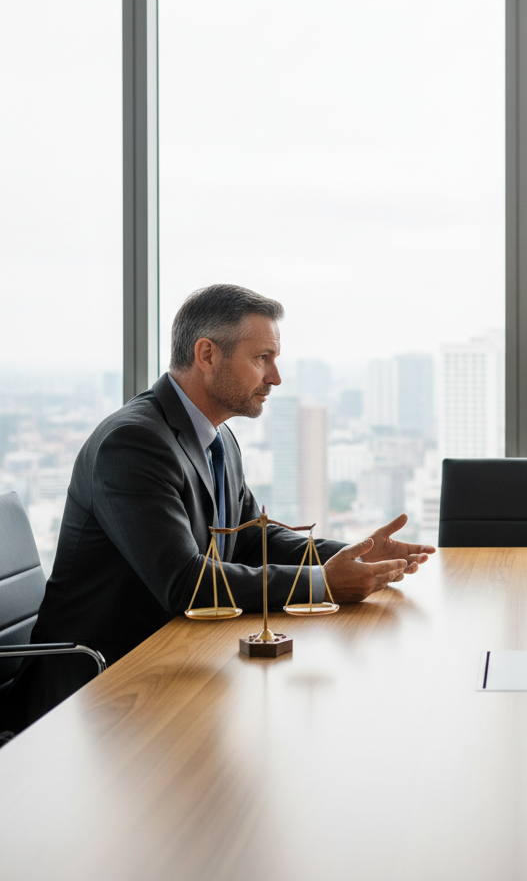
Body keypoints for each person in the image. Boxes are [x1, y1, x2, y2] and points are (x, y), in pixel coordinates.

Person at [3, 284, 435, 729]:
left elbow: (252, 538)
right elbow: (186, 584)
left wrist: (352, 556)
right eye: (261, 358)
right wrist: (323, 584)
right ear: (207, 355)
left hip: (174, 667)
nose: (275, 377)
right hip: (97, 695)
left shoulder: (218, 438)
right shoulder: (132, 444)